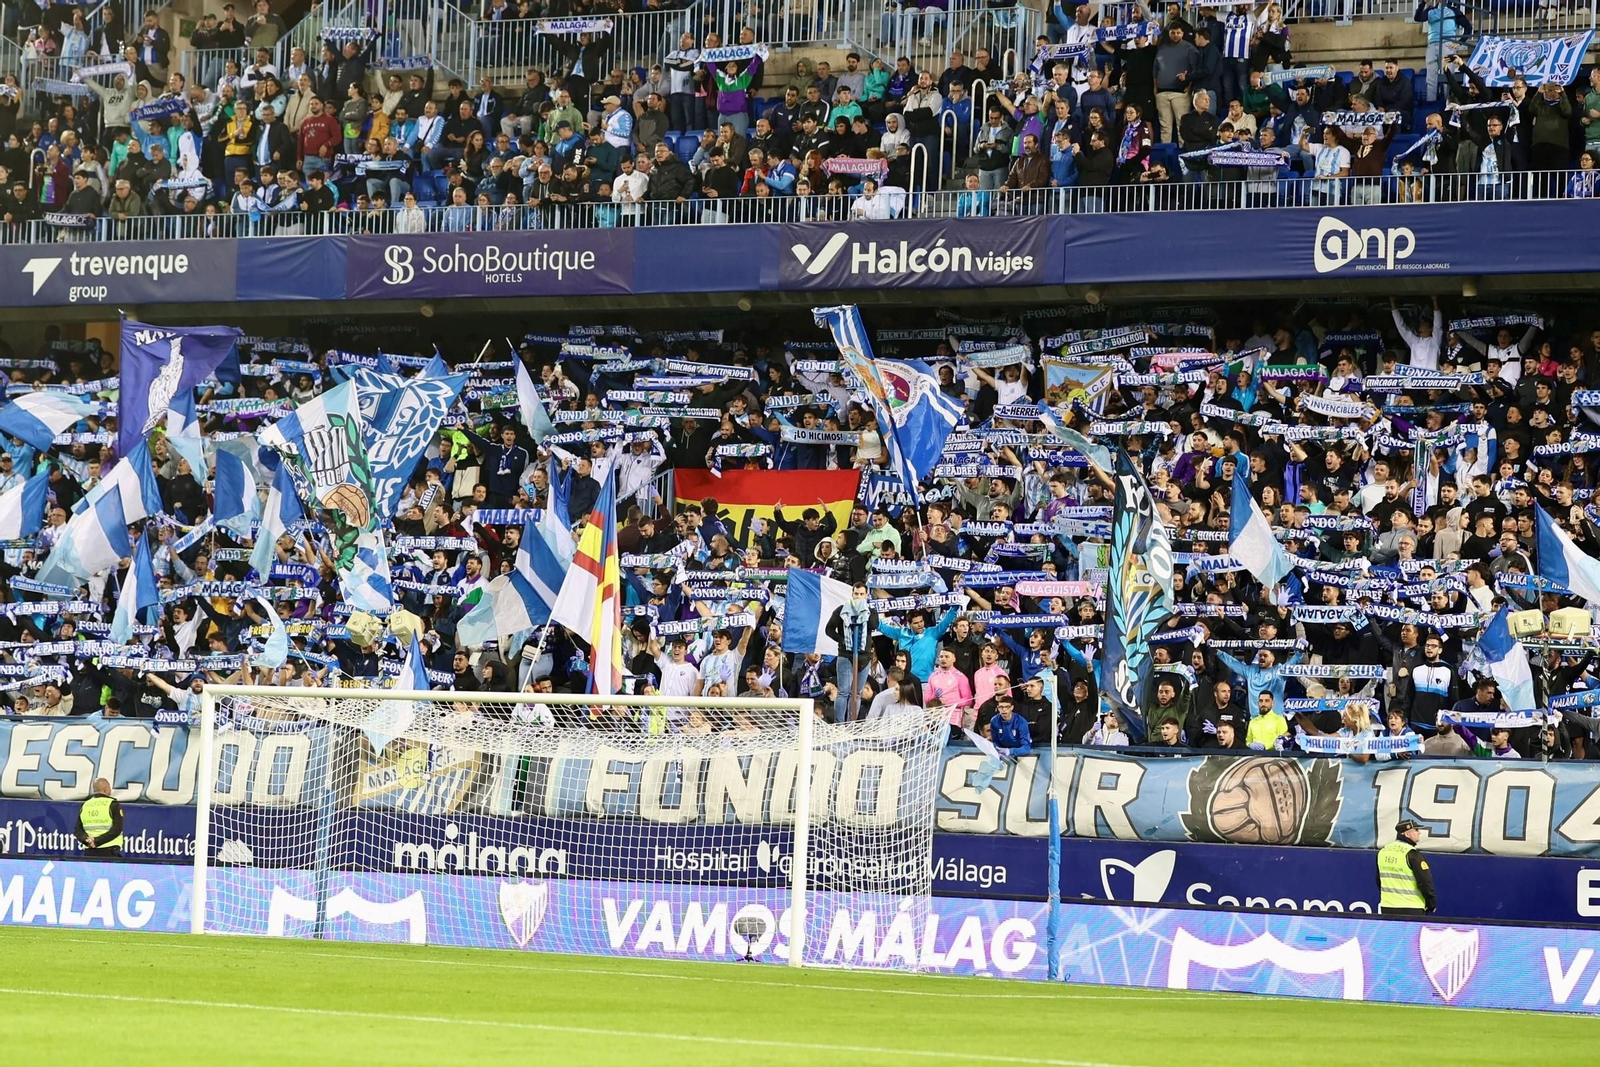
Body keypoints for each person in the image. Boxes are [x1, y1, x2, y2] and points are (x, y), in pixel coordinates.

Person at [1377, 819, 1437, 915]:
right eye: (1416, 830)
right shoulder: (1411, 853)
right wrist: (1431, 903)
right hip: (1412, 907)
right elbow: (1425, 881)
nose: (1419, 833)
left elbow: (1379, 880)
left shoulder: (1383, 852)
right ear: (1407, 834)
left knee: (1391, 931)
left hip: (1387, 906)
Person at [75, 777, 125, 858]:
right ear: (106, 789)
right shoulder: (113, 804)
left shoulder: (85, 805)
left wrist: (87, 840)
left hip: (89, 852)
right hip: (109, 851)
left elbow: (78, 830)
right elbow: (117, 829)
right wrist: (96, 841)